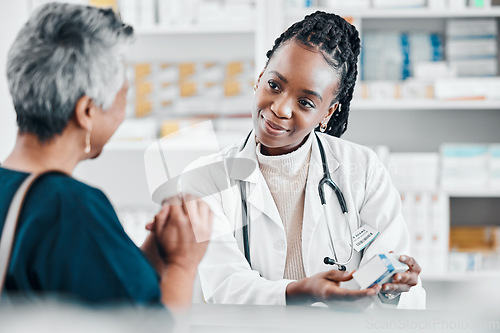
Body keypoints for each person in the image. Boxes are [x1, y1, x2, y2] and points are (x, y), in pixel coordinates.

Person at [179, 11, 425, 308]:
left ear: (327, 113)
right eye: (274, 85)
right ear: (259, 79)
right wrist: (301, 292)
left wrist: (391, 289)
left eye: (306, 102)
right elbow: (224, 286)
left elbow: (389, 275)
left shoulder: (363, 170)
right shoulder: (205, 179)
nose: (280, 108)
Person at [0, 3, 212, 312]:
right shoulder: (69, 208)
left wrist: (155, 253)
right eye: (123, 94)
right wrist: (183, 263)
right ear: (87, 112)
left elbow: (101, 288)